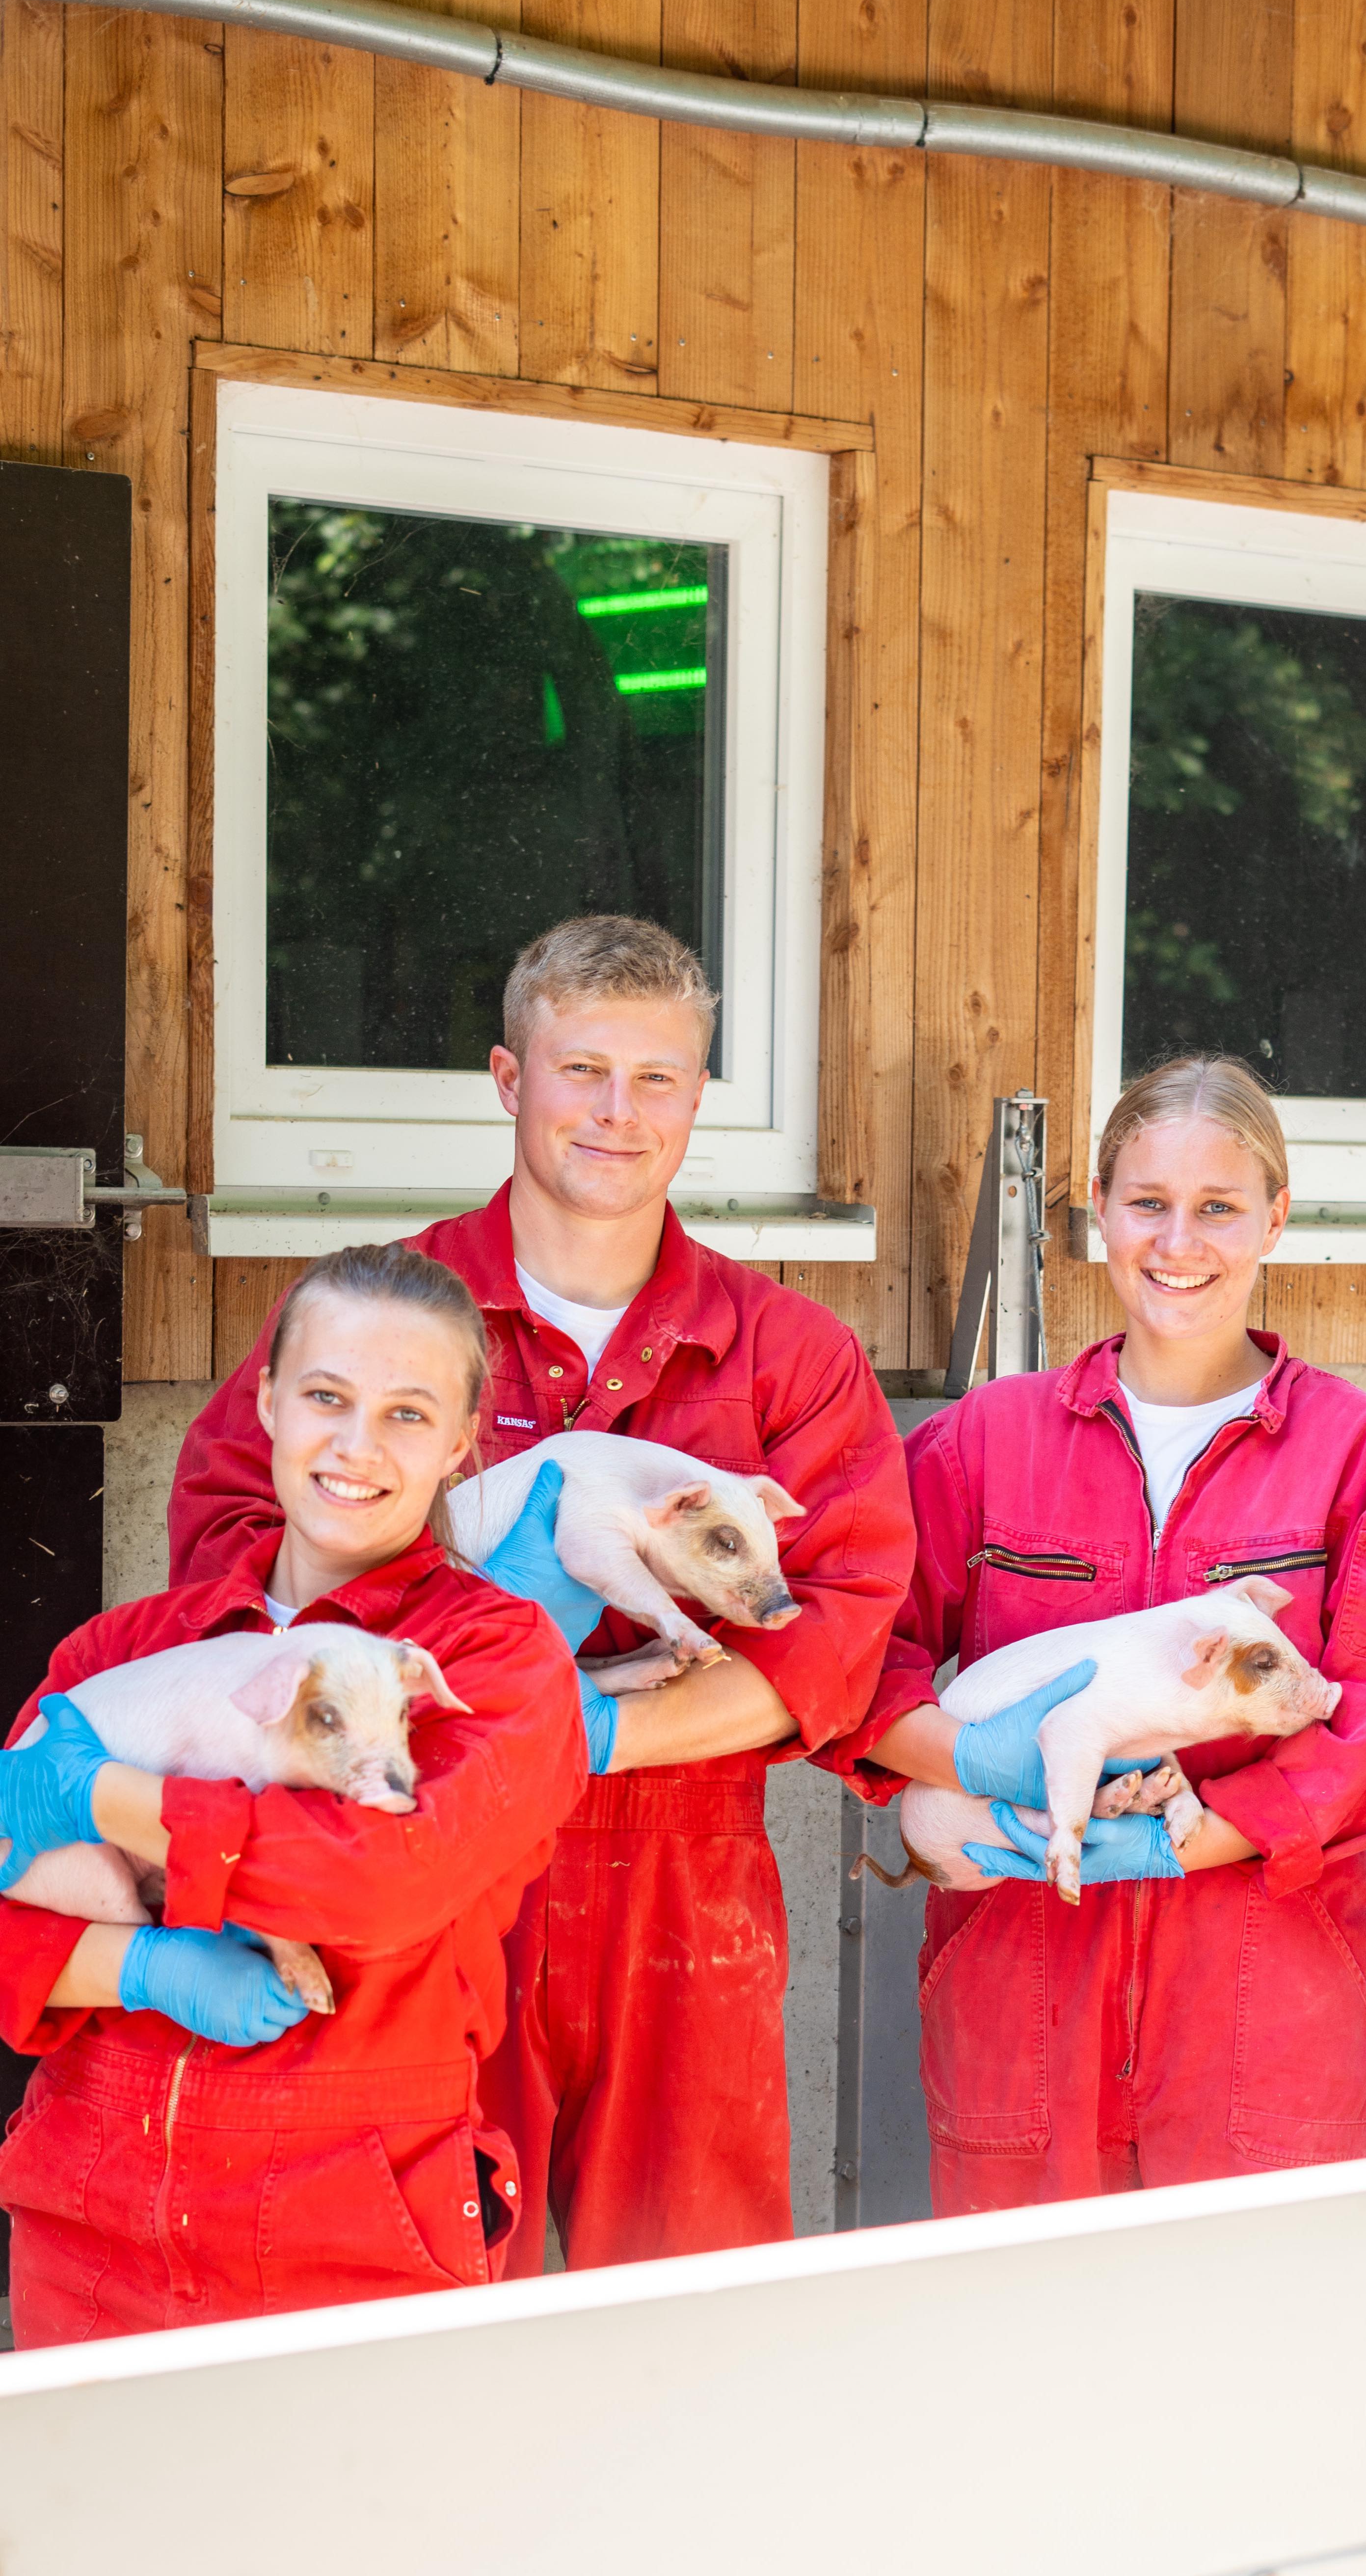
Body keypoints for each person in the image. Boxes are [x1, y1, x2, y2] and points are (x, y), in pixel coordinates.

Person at [847, 1054, 1366, 2576]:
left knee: (1264, 2385)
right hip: (1029, 1976)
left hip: (1261, 1990)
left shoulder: (1364, 1457)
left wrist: (1219, 1822)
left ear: (1276, 1218)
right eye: (1145, 1203)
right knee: (1026, 2380)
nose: (1177, 1239)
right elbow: (865, 1661)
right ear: (1093, 1221)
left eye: (1217, 1203)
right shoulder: (977, 1446)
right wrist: (930, 1788)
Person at [170, 916, 914, 2273]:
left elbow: (838, 1639)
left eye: (658, 1080)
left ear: (700, 1100)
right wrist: (457, 1734)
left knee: (691, 2303)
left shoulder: (788, 1357)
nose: (617, 1115)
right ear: (511, 1080)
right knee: (428, 2269)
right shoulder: (374, 1313)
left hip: (681, 1898)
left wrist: (588, 1733)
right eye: (583, 1072)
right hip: (423, 1864)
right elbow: (224, 1563)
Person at [0, 1245, 585, 2342]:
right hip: (92, 2212)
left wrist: (101, 1795)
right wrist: (138, 1966)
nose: (356, 1447)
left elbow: (374, 1883)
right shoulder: (126, 1649)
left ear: (463, 1444)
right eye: (326, 1396)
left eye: (409, 1415)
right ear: (265, 1401)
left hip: (349, 2216)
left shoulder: (495, 1662)